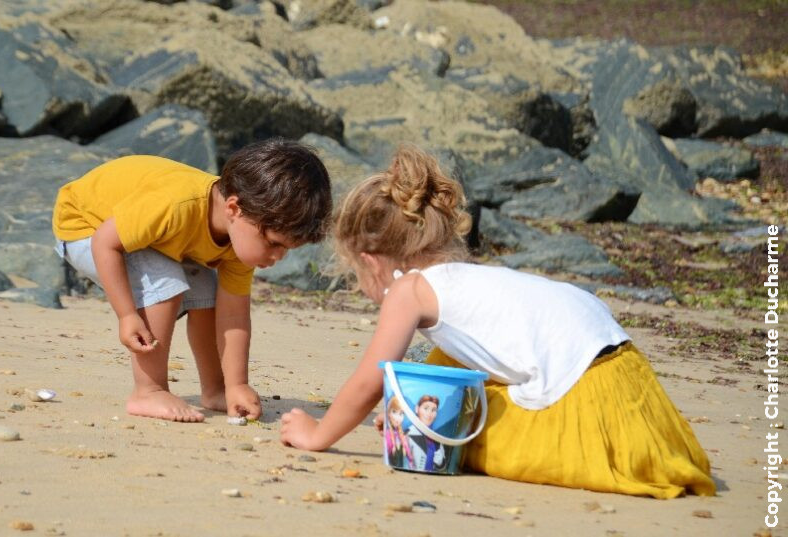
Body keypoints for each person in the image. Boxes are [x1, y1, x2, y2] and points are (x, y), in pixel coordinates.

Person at [279, 145, 716, 498]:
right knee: (443, 370)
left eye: (355, 274)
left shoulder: (408, 291)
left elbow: (368, 382)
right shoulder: (471, 279)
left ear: (372, 261)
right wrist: (409, 409)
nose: (360, 287)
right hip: (633, 386)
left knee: (455, 441)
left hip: (588, 403)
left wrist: (318, 434)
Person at [53, 139, 331, 423]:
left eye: (287, 249)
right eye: (273, 243)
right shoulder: (175, 205)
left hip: (146, 238)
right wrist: (126, 314)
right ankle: (148, 390)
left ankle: (215, 389)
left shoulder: (238, 240)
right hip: (85, 226)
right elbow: (104, 242)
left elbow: (234, 316)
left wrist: (237, 384)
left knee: (207, 292)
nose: (278, 257)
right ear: (234, 209)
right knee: (164, 283)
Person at [406, 395, 445, 472]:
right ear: (417, 409)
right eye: (426, 408)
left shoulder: (437, 438)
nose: (429, 414)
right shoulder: (407, 434)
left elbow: (441, 467)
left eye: (434, 410)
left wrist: (438, 456)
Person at [383, 397, 413, 469]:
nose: (397, 417)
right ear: (388, 413)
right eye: (394, 412)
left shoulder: (402, 435)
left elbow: (410, 458)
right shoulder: (388, 434)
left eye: (401, 414)